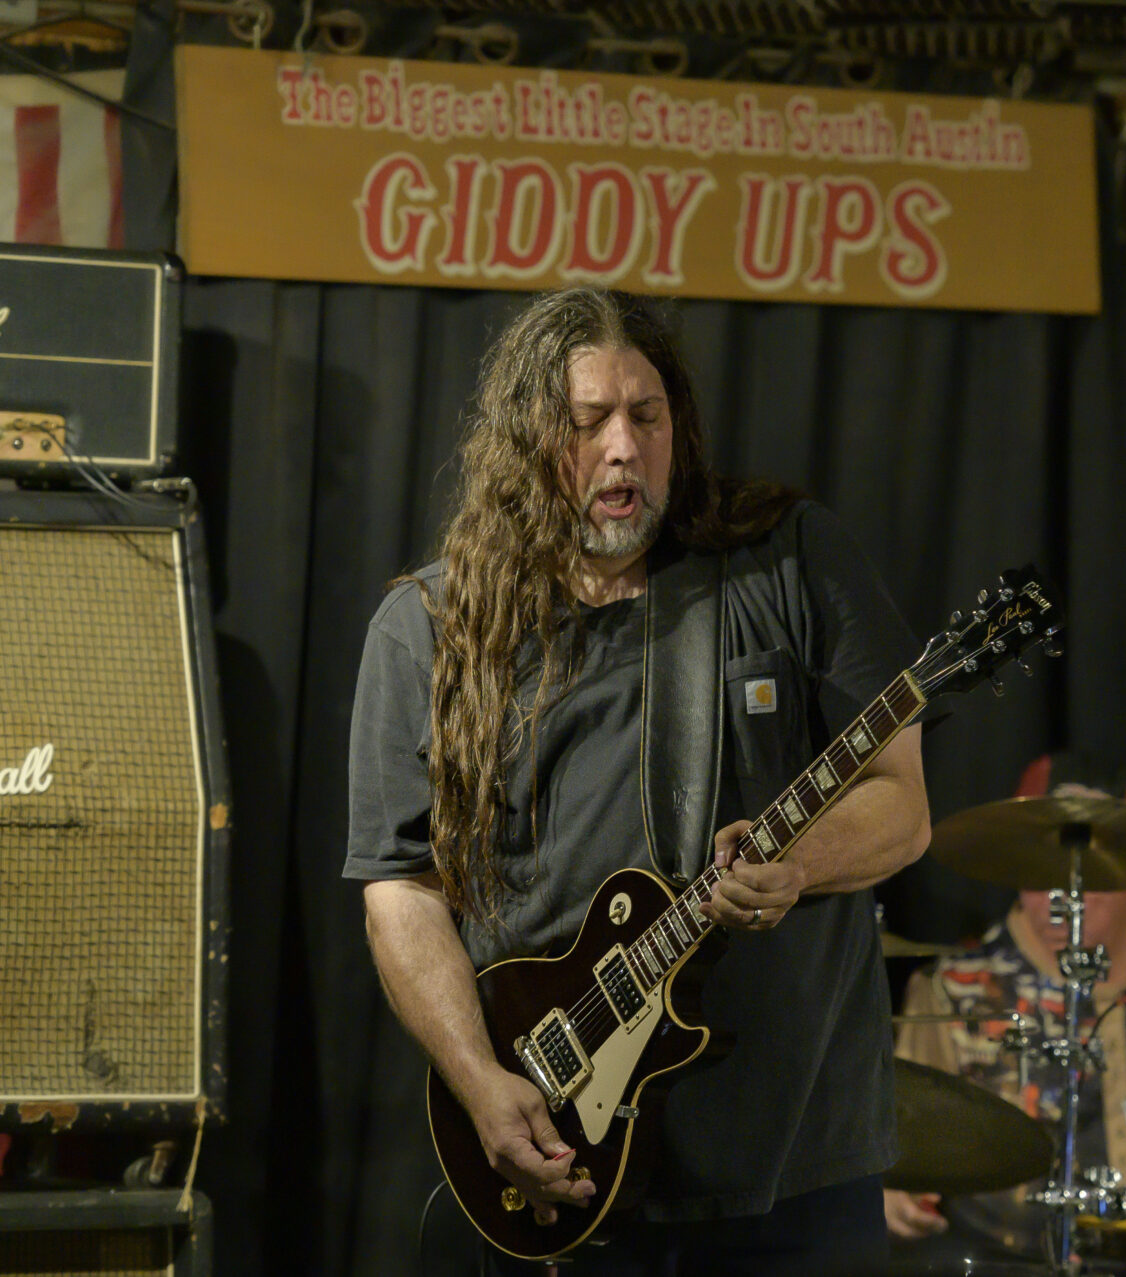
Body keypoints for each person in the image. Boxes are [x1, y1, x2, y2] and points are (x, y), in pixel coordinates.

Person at [345, 287, 931, 1276]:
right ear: (528, 440)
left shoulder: (786, 558)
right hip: (563, 1152)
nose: (623, 446)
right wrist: (481, 1082)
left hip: (791, 1164)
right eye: (587, 423)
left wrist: (799, 864)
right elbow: (402, 888)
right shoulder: (428, 629)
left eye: (646, 417)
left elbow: (903, 803)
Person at [883, 753, 1126, 1271]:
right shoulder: (954, 988)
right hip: (1009, 1260)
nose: (1060, 893)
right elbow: (911, 1145)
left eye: (1086, 868)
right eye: (1040, 865)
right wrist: (896, 1187)